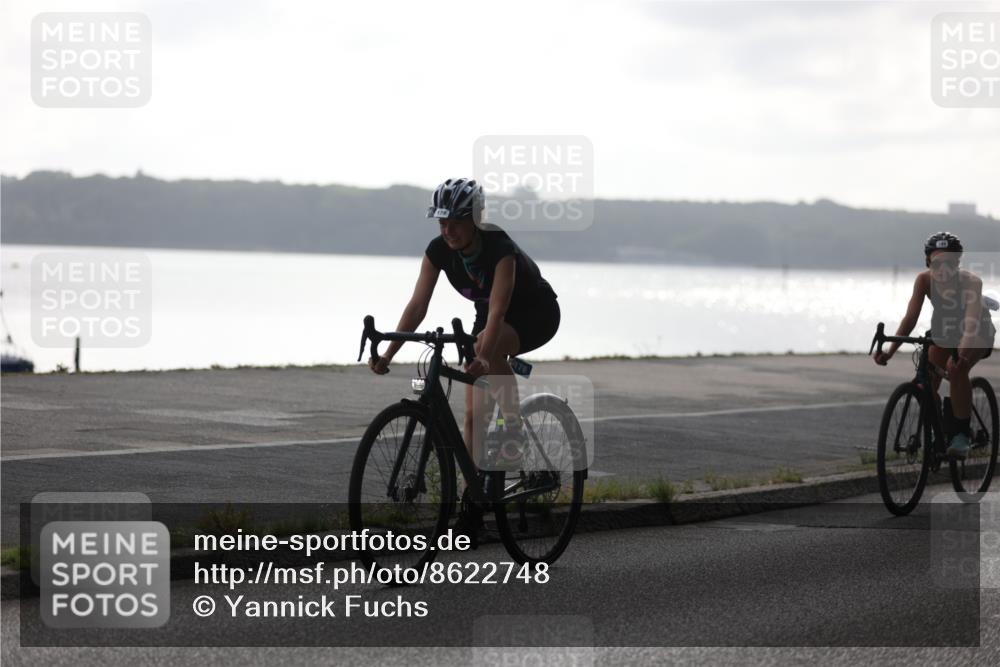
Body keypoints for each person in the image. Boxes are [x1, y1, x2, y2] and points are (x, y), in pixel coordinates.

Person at [368, 178, 560, 530]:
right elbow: (417, 306)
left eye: (456, 222)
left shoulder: (499, 247)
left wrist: (484, 357)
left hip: (535, 313)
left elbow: (499, 313)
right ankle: (474, 502)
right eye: (442, 222)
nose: (448, 230)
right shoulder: (438, 250)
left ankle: (513, 427)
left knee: (488, 344)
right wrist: (389, 353)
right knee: (473, 415)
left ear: (475, 218)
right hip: (489, 318)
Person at [873, 232, 997, 458]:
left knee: (955, 368)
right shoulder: (924, 280)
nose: (943, 269)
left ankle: (960, 435)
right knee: (926, 384)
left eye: (949, 262)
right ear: (928, 261)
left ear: (957, 263)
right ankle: (940, 429)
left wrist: (960, 354)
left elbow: (970, 327)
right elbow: (910, 319)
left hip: (978, 329)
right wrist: (890, 352)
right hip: (945, 330)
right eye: (937, 263)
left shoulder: (971, 282)